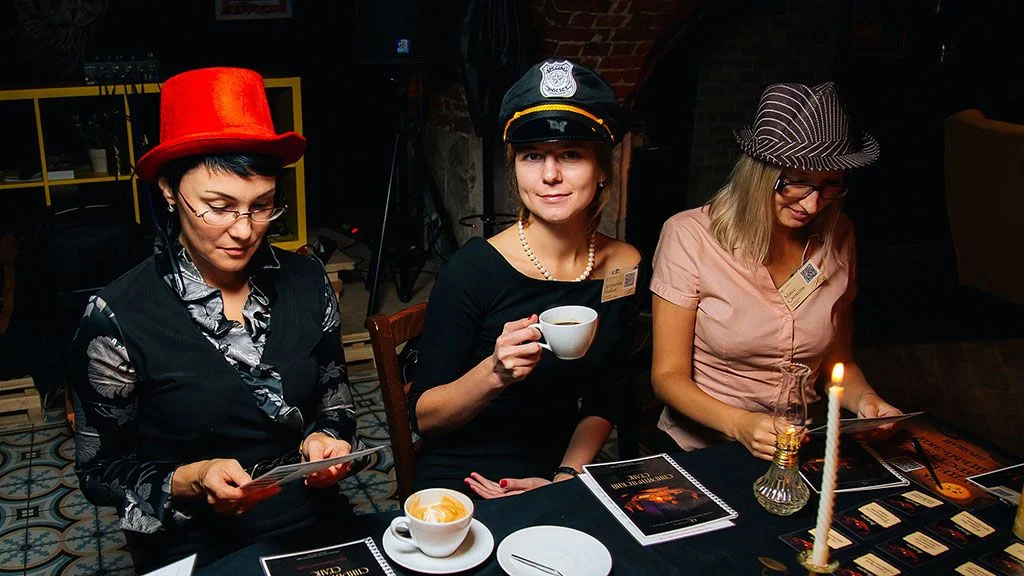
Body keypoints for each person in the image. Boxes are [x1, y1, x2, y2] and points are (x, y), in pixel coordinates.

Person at [70, 67, 361, 571]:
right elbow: (100, 472)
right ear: (169, 188)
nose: (244, 231)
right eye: (218, 207)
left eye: (262, 206)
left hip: (308, 512)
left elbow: (334, 400)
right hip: (189, 534)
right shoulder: (115, 318)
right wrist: (190, 479)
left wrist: (327, 439)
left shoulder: (309, 281)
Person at [409, 58, 643, 498]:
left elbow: (605, 394)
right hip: (466, 472)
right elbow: (425, 418)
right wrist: (494, 373)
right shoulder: (473, 269)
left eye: (571, 154)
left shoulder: (624, 265)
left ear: (602, 169)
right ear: (515, 168)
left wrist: (563, 479)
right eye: (533, 156)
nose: (550, 175)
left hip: (558, 465)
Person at [650, 82, 902, 460]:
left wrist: (867, 401)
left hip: (801, 444)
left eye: (829, 185)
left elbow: (838, 361)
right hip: (706, 448)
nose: (812, 205)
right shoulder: (688, 235)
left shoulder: (839, 233)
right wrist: (739, 424)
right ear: (759, 175)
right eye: (796, 183)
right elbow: (667, 377)